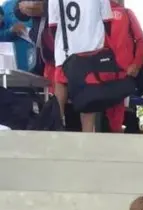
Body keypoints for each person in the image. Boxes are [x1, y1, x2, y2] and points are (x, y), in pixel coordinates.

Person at [48, 0, 112, 131]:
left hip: (64, 53)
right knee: (88, 105)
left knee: (59, 99)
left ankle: (56, 136)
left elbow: (53, 26)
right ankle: (87, 142)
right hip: (91, 52)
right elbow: (107, 22)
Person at [106, 0, 143, 134]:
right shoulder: (93, 13)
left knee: (119, 116)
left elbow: (141, 40)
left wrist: (136, 63)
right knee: (96, 114)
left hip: (123, 74)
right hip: (98, 74)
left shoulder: (127, 13)